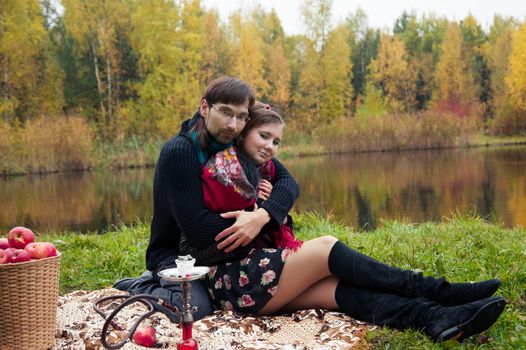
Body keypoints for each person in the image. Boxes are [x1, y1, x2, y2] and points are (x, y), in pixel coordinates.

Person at [180, 102, 507, 342]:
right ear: (243, 132)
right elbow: (215, 229)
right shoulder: (224, 167)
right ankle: (441, 292)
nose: (270, 146)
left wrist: (266, 209)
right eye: (263, 136)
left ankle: (435, 318)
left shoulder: (262, 166)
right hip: (230, 278)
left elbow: (290, 185)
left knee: (340, 292)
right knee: (326, 248)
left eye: (276, 141)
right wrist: (260, 207)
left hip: (255, 279)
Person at [115, 77, 300, 320]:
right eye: (225, 112)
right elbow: (198, 230)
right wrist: (265, 218)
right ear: (205, 108)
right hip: (176, 254)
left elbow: (289, 182)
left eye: (241, 117)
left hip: (219, 250)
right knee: (195, 309)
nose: (233, 125)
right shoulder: (180, 151)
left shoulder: (233, 142)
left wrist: (261, 215)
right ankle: (141, 285)